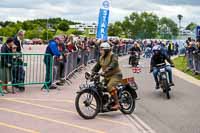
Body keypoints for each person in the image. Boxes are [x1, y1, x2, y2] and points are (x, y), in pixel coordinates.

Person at [92, 42, 122, 110]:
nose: (100, 51)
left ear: (106, 50)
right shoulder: (101, 57)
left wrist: (107, 69)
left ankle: (117, 104)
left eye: (102, 49)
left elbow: (114, 63)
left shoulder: (113, 55)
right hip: (107, 76)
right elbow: (97, 67)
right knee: (99, 87)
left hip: (116, 75)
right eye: (100, 49)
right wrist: (91, 73)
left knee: (109, 86)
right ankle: (104, 102)